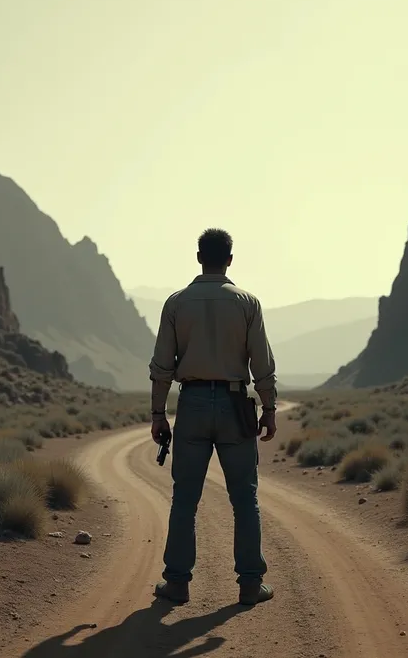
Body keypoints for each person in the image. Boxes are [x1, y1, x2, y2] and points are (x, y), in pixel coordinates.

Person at [149, 228, 277, 606]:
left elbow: (161, 367)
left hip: (191, 406)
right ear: (230, 260)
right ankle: (250, 585)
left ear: (199, 257)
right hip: (236, 406)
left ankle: (177, 583)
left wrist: (159, 413)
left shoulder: (176, 303)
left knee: (185, 499)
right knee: (244, 499)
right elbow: (262, 365)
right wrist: (269, 408)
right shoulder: (247, 302)